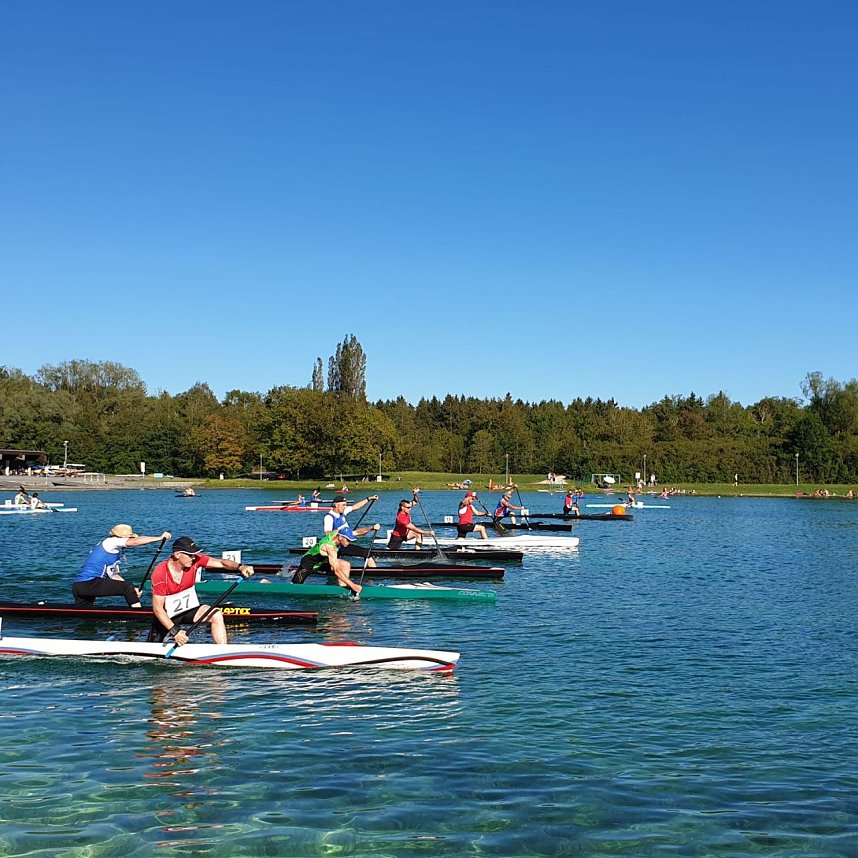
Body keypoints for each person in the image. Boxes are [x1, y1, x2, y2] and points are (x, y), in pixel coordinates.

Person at [148, 536, 254, 644]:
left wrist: (240, 567)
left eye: (194, 554)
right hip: (167, 617)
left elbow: (221, 563)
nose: (193, 558)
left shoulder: (195, 561)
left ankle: (222, 651)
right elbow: (158, 609)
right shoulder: (161, 572)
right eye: (190, 555)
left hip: (188, 610)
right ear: (177, 554)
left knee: (216, 615)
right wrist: (175, 631)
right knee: (153, 647)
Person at [73, 524, 172, 608]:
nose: (129, 540)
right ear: (119, 537)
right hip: (88, 583)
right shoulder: (110, 541)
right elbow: (135, 542)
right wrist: (159, 538)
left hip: (80, 586)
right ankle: (138, 614)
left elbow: (114, 576)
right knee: (127, 586)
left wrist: (132, 591)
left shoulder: (110, 550)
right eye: (128, 538)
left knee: (85, 614)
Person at [292, 527, 362, 596]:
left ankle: (343, 588)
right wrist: (353, 585)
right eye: (348, 540)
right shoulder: (330, 547)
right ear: (340, 537)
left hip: (322, 562)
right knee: (295, 586)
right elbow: (337, 570)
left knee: (345, 564)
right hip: (308, 564)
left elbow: (357, 532)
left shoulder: (336, 533)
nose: (349, 543)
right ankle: (352, 587)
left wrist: (371, 528)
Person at [323, 493, 380, 568]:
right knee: (367, 553)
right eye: (343, 505)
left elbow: (356, 507)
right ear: (336, 505)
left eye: (345, 505)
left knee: (367, 553)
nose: (345, 507)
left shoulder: (343, 511)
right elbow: (328, 534)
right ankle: (374, 573)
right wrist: (340, 537)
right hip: (337, 546)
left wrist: (368, 499)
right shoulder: (329, 517)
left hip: (344, 544)